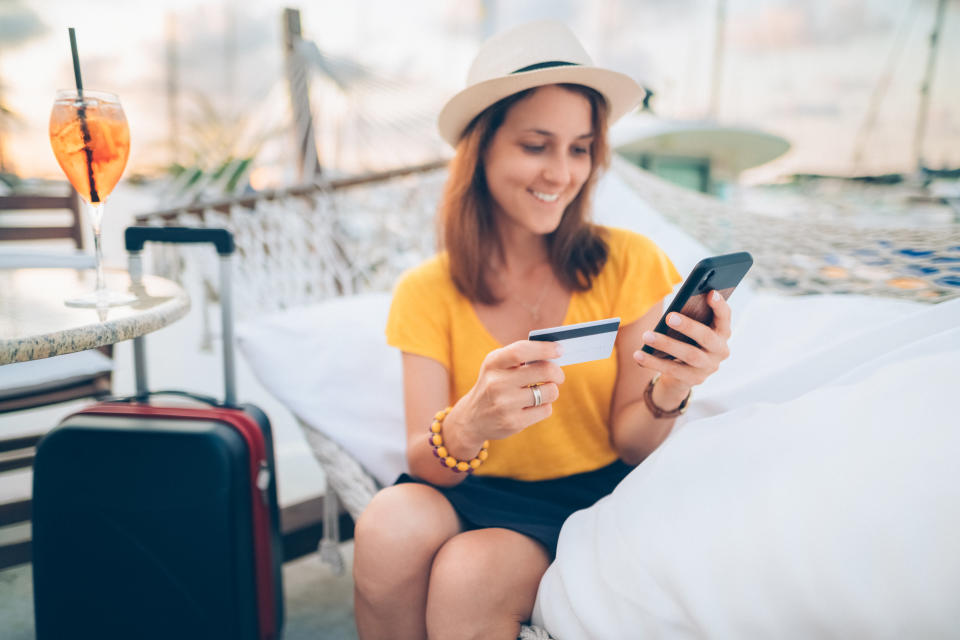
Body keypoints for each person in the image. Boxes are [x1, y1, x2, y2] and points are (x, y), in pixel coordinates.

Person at [353, 20, 733, 640]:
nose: (562, 172)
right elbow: (426, 462)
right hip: (467, 487)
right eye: (536, 145)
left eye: (580, 148)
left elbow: (633, 444)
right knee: (387, 523)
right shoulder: (425, 290)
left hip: (583, 498)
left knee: (468, 573)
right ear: (484, 149)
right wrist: (471, 420)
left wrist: (671, 387)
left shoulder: (630, 261)